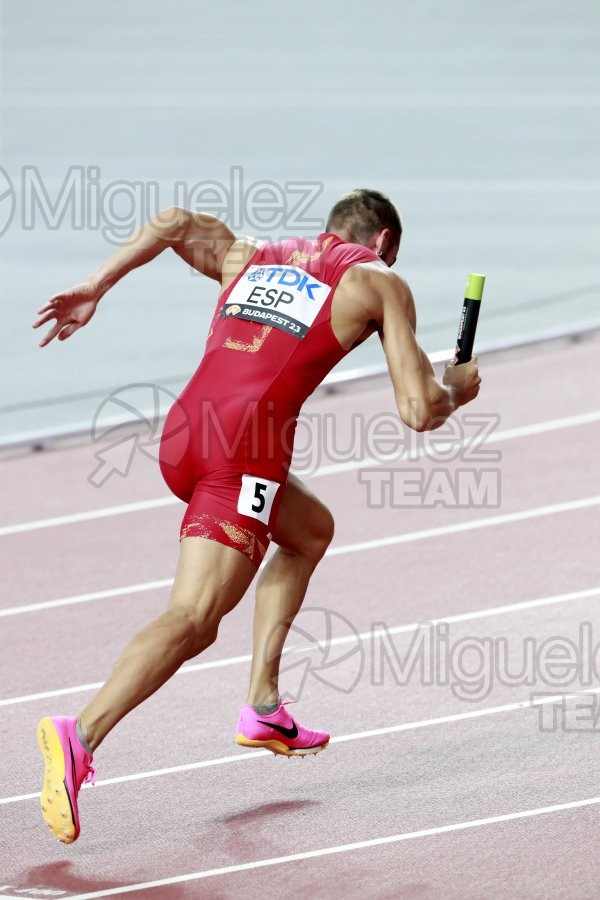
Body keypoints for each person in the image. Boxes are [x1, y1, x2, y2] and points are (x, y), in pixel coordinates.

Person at [32, 188, 481, 843]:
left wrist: (98, 284)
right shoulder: (378, 280)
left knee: (310, 531)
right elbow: (418, 410)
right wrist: (456, 391)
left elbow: (174, 219)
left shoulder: (253, 255)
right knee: (195, 619)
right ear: (384, 240)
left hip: (185, 433)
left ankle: (263, 704)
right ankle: (81, 733)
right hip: (243, 454)